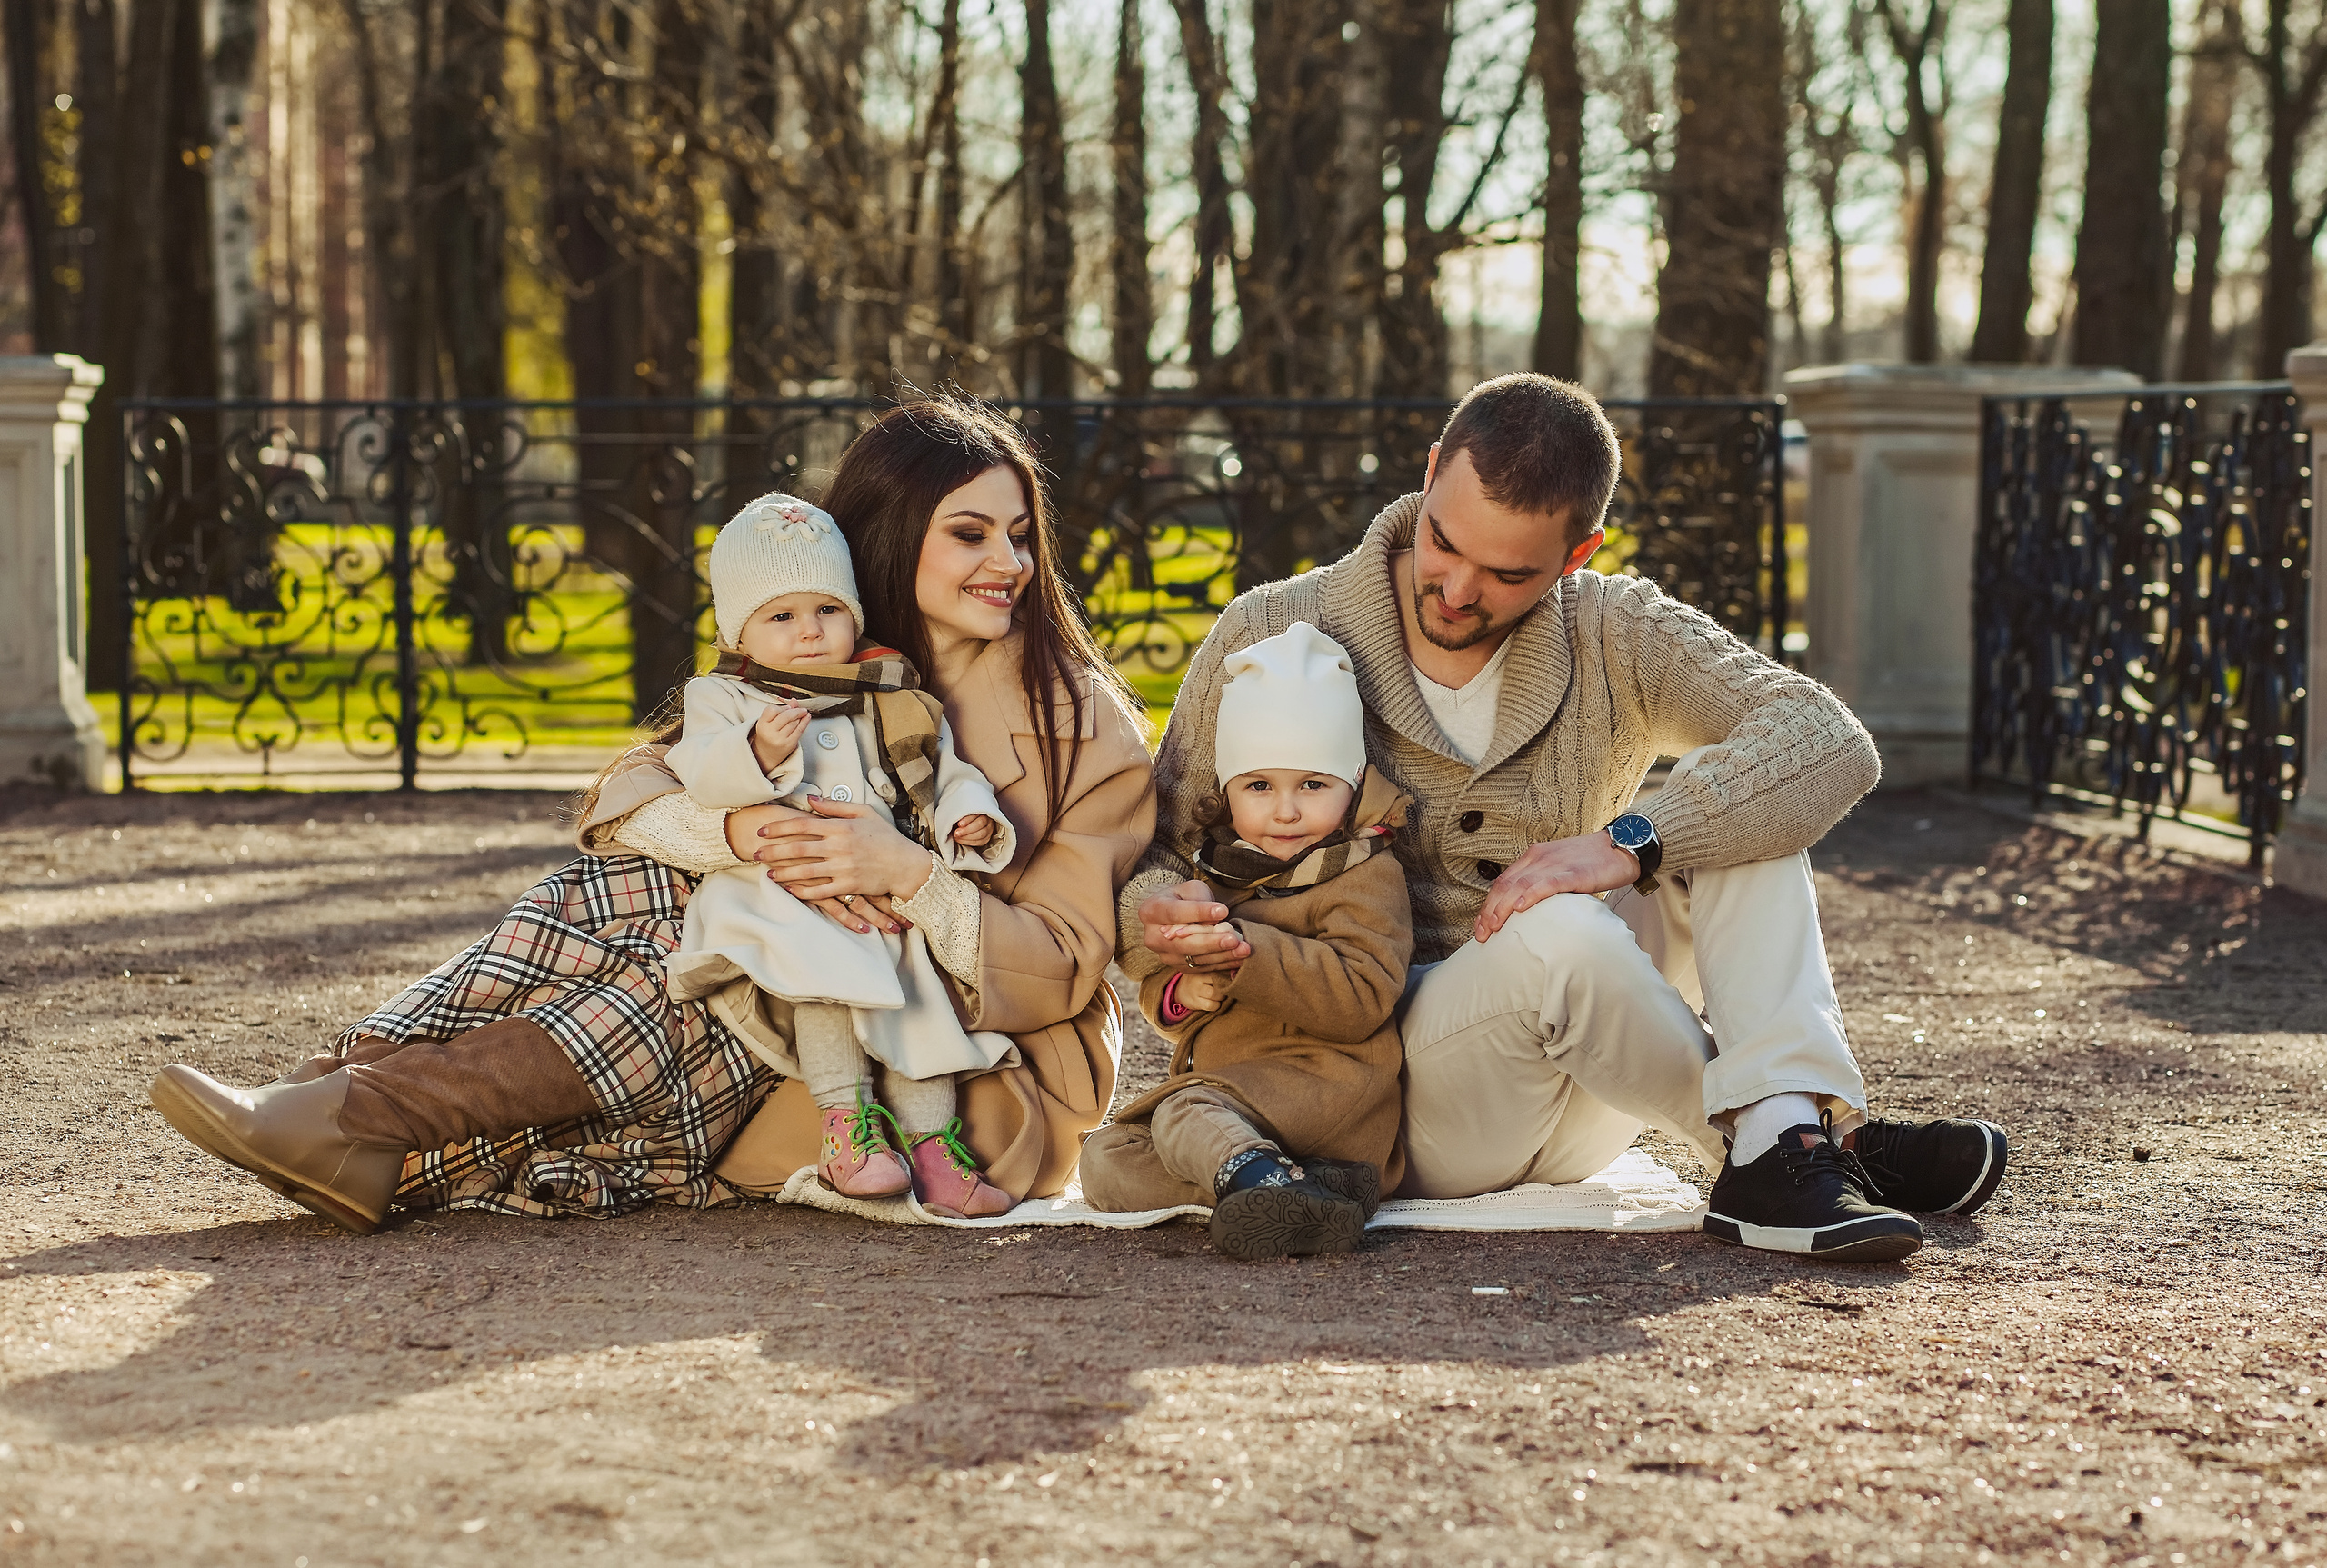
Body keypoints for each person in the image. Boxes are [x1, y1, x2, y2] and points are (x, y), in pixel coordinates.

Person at [147, 395, 1155, 1234]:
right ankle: (330, 1098)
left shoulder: (1084, 724)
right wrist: (741, 836)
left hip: (966, 1034)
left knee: (675, 980)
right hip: (790, 957)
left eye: (1021, 535)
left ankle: (348, 1116)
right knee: (627, 888)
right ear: (888, 538)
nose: (1009, 562)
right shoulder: (824, 634)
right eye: (971, 533)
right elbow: (639, 791)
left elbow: (1060, 963)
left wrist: (901, 870)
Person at [1120, 373, 2009, 1263]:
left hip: (1594, 1073)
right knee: (1561, 933)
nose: (1459, 590)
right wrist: (1173, 927)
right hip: (1386, 1101)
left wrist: (1629, 843)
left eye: (1507, 574)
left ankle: (1783, 1137)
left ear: (1576, 554)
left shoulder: (1613, 629)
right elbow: (1152, 847)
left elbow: (1828, 740)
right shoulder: (1274, 630)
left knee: (1740, 802)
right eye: (1444, 543)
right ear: (1430, 475)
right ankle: (1809, 1144)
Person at [666, 492, 1016, 1215]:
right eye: (781, 616)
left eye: (827, 610)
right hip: (785, 897)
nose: (809, 632)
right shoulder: (725, 696)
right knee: (823, 984)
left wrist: (969, 813)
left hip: (886, 894)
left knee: (922, 1009)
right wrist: (755, 751)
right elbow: (697, 772)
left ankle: (935, 1148)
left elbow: (946, 768)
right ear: (741, 629)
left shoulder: (889, 691)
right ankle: (847, 1131)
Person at [1080, 622, 1410, 1260]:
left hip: (1325, 1088)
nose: (1285, 810)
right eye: (1259, 786)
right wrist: (1182, 991)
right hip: (1241, 1102)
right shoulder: (1222, 870)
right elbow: (1165, 995)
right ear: (1230, 791)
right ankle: (1295, 1188)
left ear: (1352, 785)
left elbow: (1363, 995)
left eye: (1312, 784)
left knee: (1182, 1115)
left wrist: (1241, 953)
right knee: (1107, 1160)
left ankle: (1262, 1178)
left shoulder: (1366, 872)